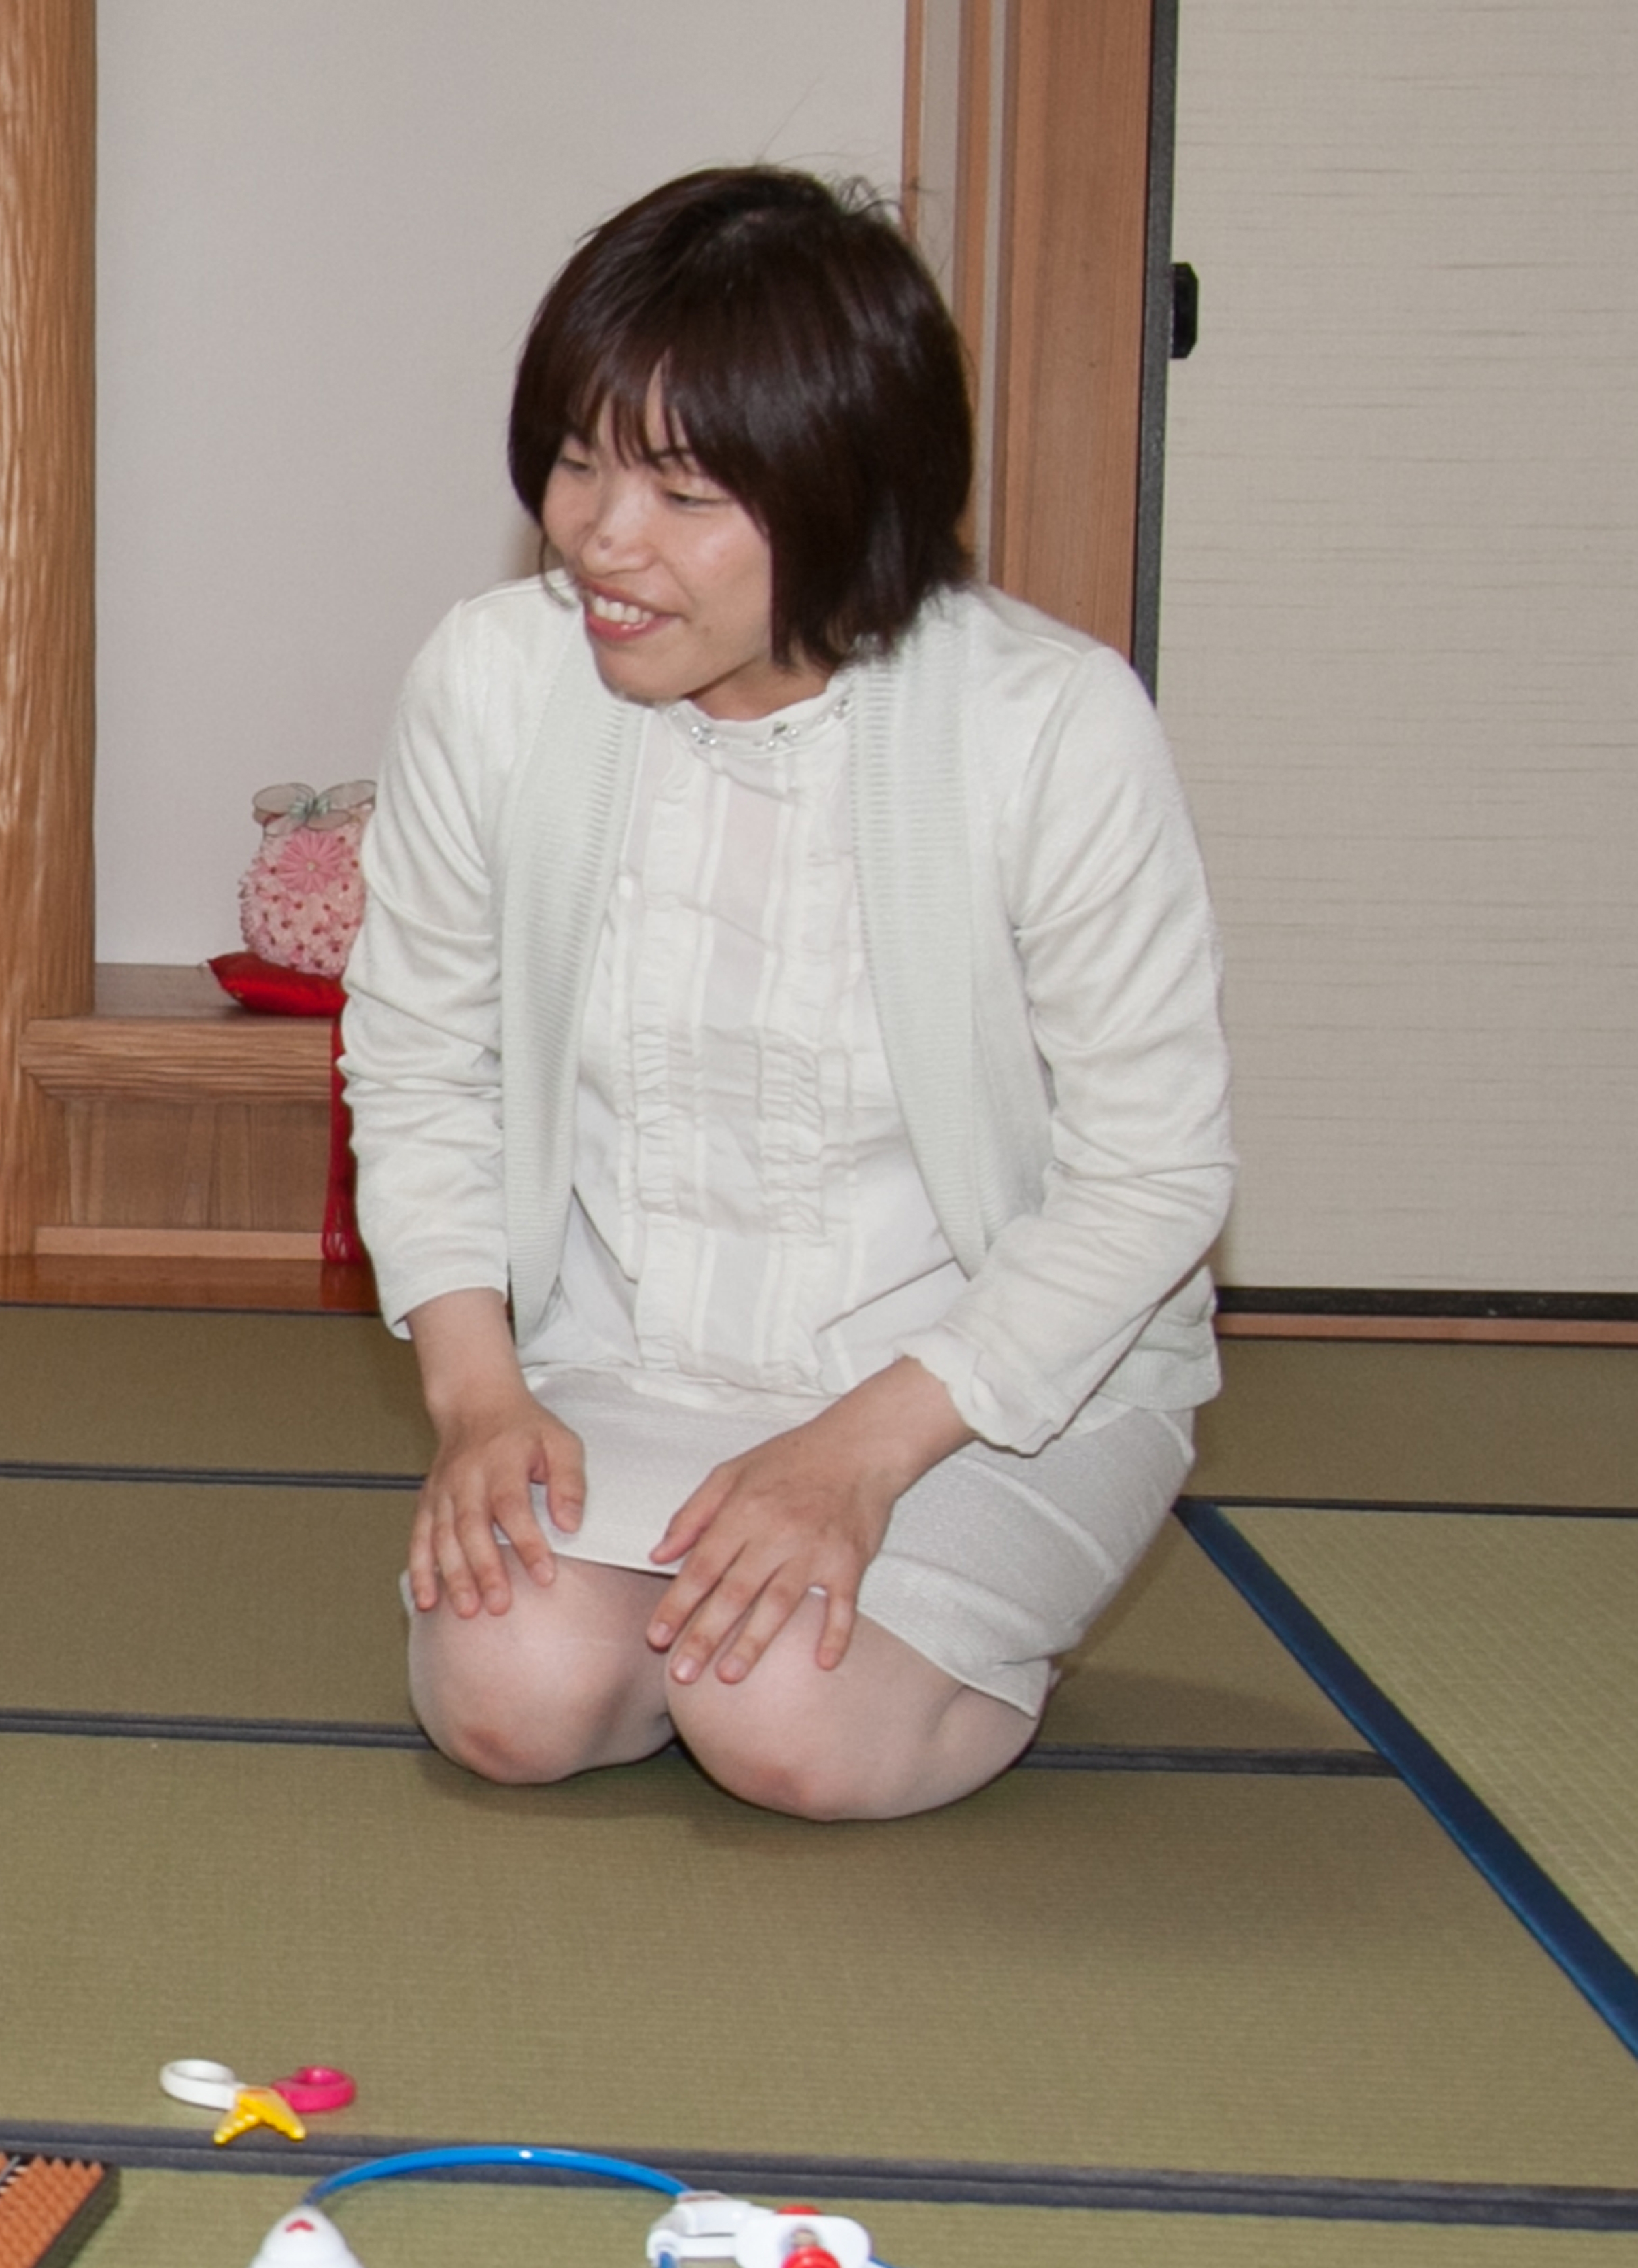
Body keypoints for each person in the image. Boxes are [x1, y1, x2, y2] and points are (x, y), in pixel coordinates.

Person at [345, 167, 1234, 1821]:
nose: (603, 538)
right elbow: (419, 1065)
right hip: (640, 1353)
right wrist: (480, 1396)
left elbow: (1156, 1177)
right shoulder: (493, 677)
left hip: (987, 1388)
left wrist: (859, 1453)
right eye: (580, 460)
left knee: (783, 1726)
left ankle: (960, 1632)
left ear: (848, 491)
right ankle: (689, 1617)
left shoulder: (1050, 725)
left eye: (685, 491)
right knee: (507, 1696)